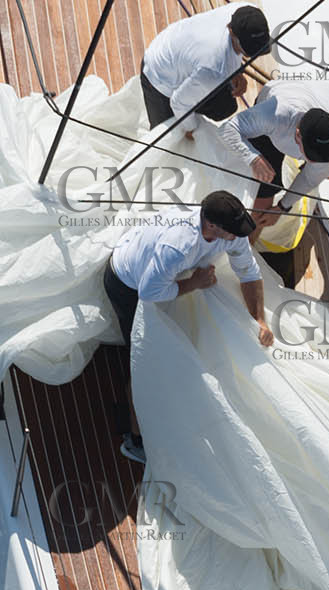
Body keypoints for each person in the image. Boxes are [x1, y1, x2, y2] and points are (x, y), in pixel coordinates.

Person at [102, 192, 273, 463]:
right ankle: (134, 439)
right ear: (212, 227)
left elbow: (249, 272)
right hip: (128, 285)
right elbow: (149, 292)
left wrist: (259, 320)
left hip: (165, 274)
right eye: (233, 232)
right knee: (146, 362)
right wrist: (195, 283)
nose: (239, 237)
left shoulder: (231, 233)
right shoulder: (179, 246)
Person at [218, 80, 329, 286]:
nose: (311, 162)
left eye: (318, 157)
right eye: (309, 156)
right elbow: (227, 130)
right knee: (259, 205)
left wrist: (283, 206)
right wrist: (254, 159)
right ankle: (241, 255)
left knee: (327, 173)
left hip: (318, 96)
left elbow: (309, 178)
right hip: (275, 114)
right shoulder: (274, 115)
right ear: (297, 135)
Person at [141, 3, 272, 137]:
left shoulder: (245, 10)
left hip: (183, 53)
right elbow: (179, 102)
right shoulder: (213, 68)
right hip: (159, 77)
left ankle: (194, 92)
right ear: (230, 30)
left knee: (226, 107)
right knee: (162, 137)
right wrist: (190, 129)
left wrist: (237, 71)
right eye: (247, 51)